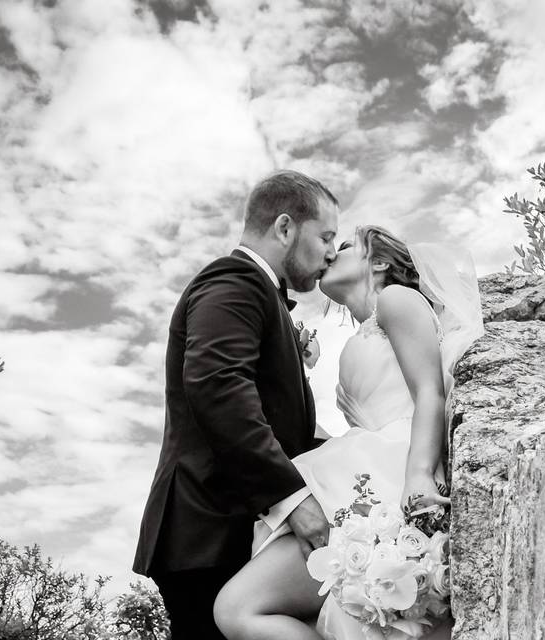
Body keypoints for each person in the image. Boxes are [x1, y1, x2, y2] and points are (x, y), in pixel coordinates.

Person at [214, 225, 484, 640]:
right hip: (363, 472)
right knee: (260, 612)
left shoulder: (396, 298)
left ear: (378, 262)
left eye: (343, 246)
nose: (329, 254)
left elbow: (430, 391)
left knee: (239, 609)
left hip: (399, 472)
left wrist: (418, 476)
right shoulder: (361, 334)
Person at [132, 170, 340, 639]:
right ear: (285, 228)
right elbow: (217, 384)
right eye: (325, 236)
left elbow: (274, 419)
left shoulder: (259, 293)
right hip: (208, 530)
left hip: (227, 532)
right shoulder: (235, 280)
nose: (331, 251)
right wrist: (293, 498)